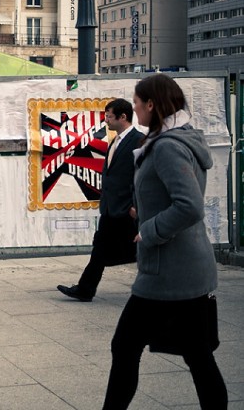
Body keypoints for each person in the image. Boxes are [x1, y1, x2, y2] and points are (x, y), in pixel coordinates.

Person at [102, 74, 226, 409]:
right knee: (198, 358)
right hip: (182, 270)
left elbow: (188, 205)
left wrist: (150, 229)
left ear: (151, 104)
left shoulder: (169, 146)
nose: (135, 106)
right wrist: (140, 209)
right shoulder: (171, 138)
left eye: (138, 101)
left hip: (170, 272)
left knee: (126, 345)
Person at [58, 98, 144, 302]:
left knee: (138, 249)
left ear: (123, 117)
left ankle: (157, 286)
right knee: (101, 247)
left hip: (125, 208)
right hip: (110, 206)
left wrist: (135, 205)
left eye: (109, 116)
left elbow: (141, 176)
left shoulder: (139, 140)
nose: (106, 120)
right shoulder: (116, 140)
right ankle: (85, 289)